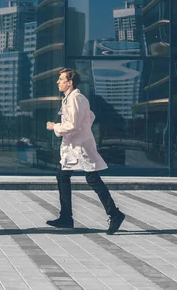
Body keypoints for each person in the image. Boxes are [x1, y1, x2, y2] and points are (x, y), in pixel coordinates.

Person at [45, 68, 125, 235]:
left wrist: (55, 127)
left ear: (70, 82)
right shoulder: (70, 99)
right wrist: (82, 129)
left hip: (80, 147)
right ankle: (66, 217)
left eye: (61, 79)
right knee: (62, 175)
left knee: (93, 179)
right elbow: (90, 116)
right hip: (73, 146)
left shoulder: (76, 98)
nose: (57, 82)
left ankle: (115, 214)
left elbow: (73, 124)